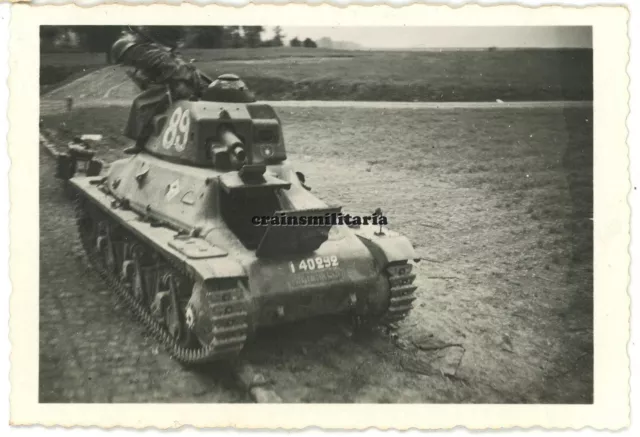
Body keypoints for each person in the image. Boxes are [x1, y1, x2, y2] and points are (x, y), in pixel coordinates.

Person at [110, 32, 209, 154]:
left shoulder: (146, 54)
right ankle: (142, 144)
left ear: (128, 52)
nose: (125, 62)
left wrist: (163, 82)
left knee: (142, 104)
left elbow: (172, 68)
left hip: (180, 83)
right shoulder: (145, 54)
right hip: (180, 81)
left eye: (123, 58)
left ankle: (140, 144)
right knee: (148, 107)